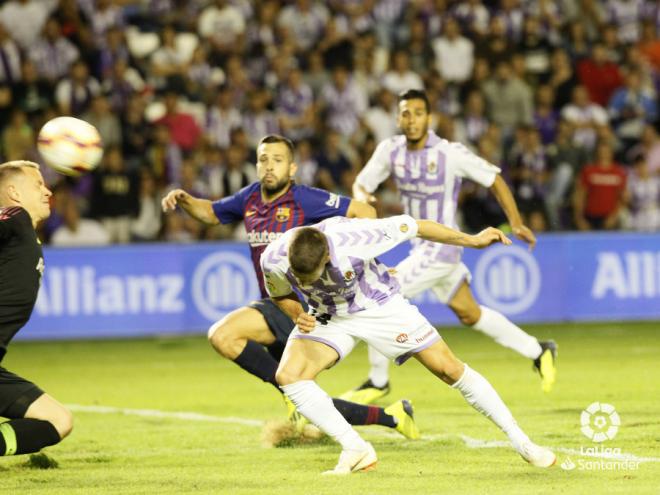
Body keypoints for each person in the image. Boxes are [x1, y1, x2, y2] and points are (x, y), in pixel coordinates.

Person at [161, 134, 419, 438]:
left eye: (278, 160)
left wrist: (364, 265)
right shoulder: (249, 198)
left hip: (300, 307)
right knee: (302, 393)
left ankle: (290, 392)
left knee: (223, 335)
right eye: (263, 160)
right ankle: (392, 416)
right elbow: (211, 213)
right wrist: (186, 200)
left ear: (292, 168)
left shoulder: (305, 199)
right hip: (276, 303)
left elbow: (366, 213)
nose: (269, 167)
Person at [261, 215, 556, 474]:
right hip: (329, 315)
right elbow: (280, 293)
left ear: (326, 255)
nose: (305, 281)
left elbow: (418, 226)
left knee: (449, 369)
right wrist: (298, 314)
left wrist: (472, 240)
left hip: (380, 306)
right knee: (290, 376)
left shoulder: (356, 238)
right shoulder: (273, 259)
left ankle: (522, 442)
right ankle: (356, 449)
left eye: (310, 276)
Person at [347, 89, 557, 403]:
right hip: (419, 247)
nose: (412, 119)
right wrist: (363, 198)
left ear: (430, 118)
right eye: (406, 113)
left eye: (418, 112)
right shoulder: (389, 150)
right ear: (397, 118)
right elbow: (361, 184)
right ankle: (538, 350)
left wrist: (515, 222)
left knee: (383, 293)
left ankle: (378, 381)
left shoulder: (449, 153)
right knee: (469, 313)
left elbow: (494, 179)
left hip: (442, 247)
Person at [0, 160, 73, 457]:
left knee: (58, 421)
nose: (47, 191)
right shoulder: (14, 217)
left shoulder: (23, 233)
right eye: (38, 184)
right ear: (14, 193)